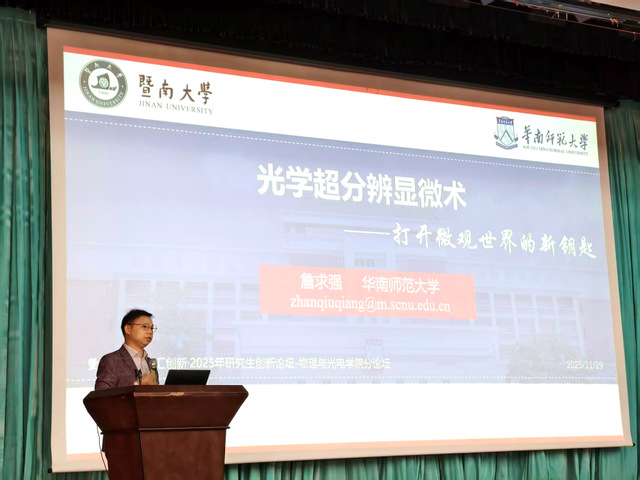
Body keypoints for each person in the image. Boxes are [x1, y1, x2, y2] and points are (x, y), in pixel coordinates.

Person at [95, 309, 159, 390]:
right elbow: (102, 394)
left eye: (152, 328)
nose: (150, 332)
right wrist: (137, 386)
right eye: (145, 327)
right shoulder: (111, 361)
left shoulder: (150, 363)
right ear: (128, 329)